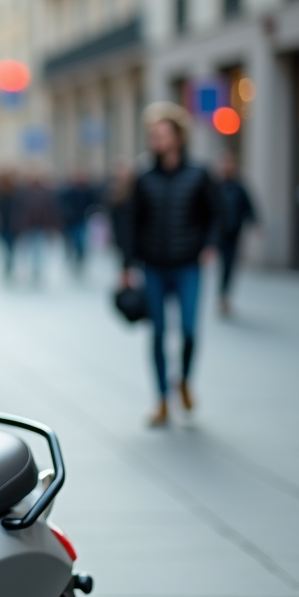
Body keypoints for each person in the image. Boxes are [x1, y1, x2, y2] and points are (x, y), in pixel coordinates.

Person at [121, 103, 221, 426]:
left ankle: (185, 382)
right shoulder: (143, 176)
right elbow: (132, 223)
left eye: (161, 134)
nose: (156, 140)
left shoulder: (199, 173)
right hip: (153, 266)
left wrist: (209, 245)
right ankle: (162, 399)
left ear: (178, 137)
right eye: (152, 135)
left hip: (188, 265)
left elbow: (216, 214)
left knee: (190, 331)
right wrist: (127, 265)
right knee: (159, 333)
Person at [214, 151, 256, 316]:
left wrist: (255, 222)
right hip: (218, 234)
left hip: (234, 233)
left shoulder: (239, 187)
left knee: (229, 266)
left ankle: (224, 296)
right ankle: (222, 296)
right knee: (223, 265)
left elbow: (249, 206)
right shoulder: (215, 187)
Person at [17, 172, 60, 284]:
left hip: (41, 226)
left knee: (38, 249)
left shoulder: (46, 193)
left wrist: (52, 226)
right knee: (32, 249)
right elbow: (22, 211)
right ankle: (33, 268)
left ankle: (36, 269)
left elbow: (51, 211)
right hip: (30, 225)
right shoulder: (25, 193)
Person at [59, 170, 96, 276]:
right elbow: (61, 203)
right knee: (70, 242)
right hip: (70, 222)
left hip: (81, 220)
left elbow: (93, 203)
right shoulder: (68, 191)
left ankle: (79, 260)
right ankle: (71, 258)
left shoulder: (87, 190)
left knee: (81, 242)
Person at [0, 168, 20, 281]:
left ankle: (8, 264)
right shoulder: (0, 190)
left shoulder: (13, 190)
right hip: (7, 223)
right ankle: (8, 264)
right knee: (8, 246)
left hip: (8, 223)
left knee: (7, 246)